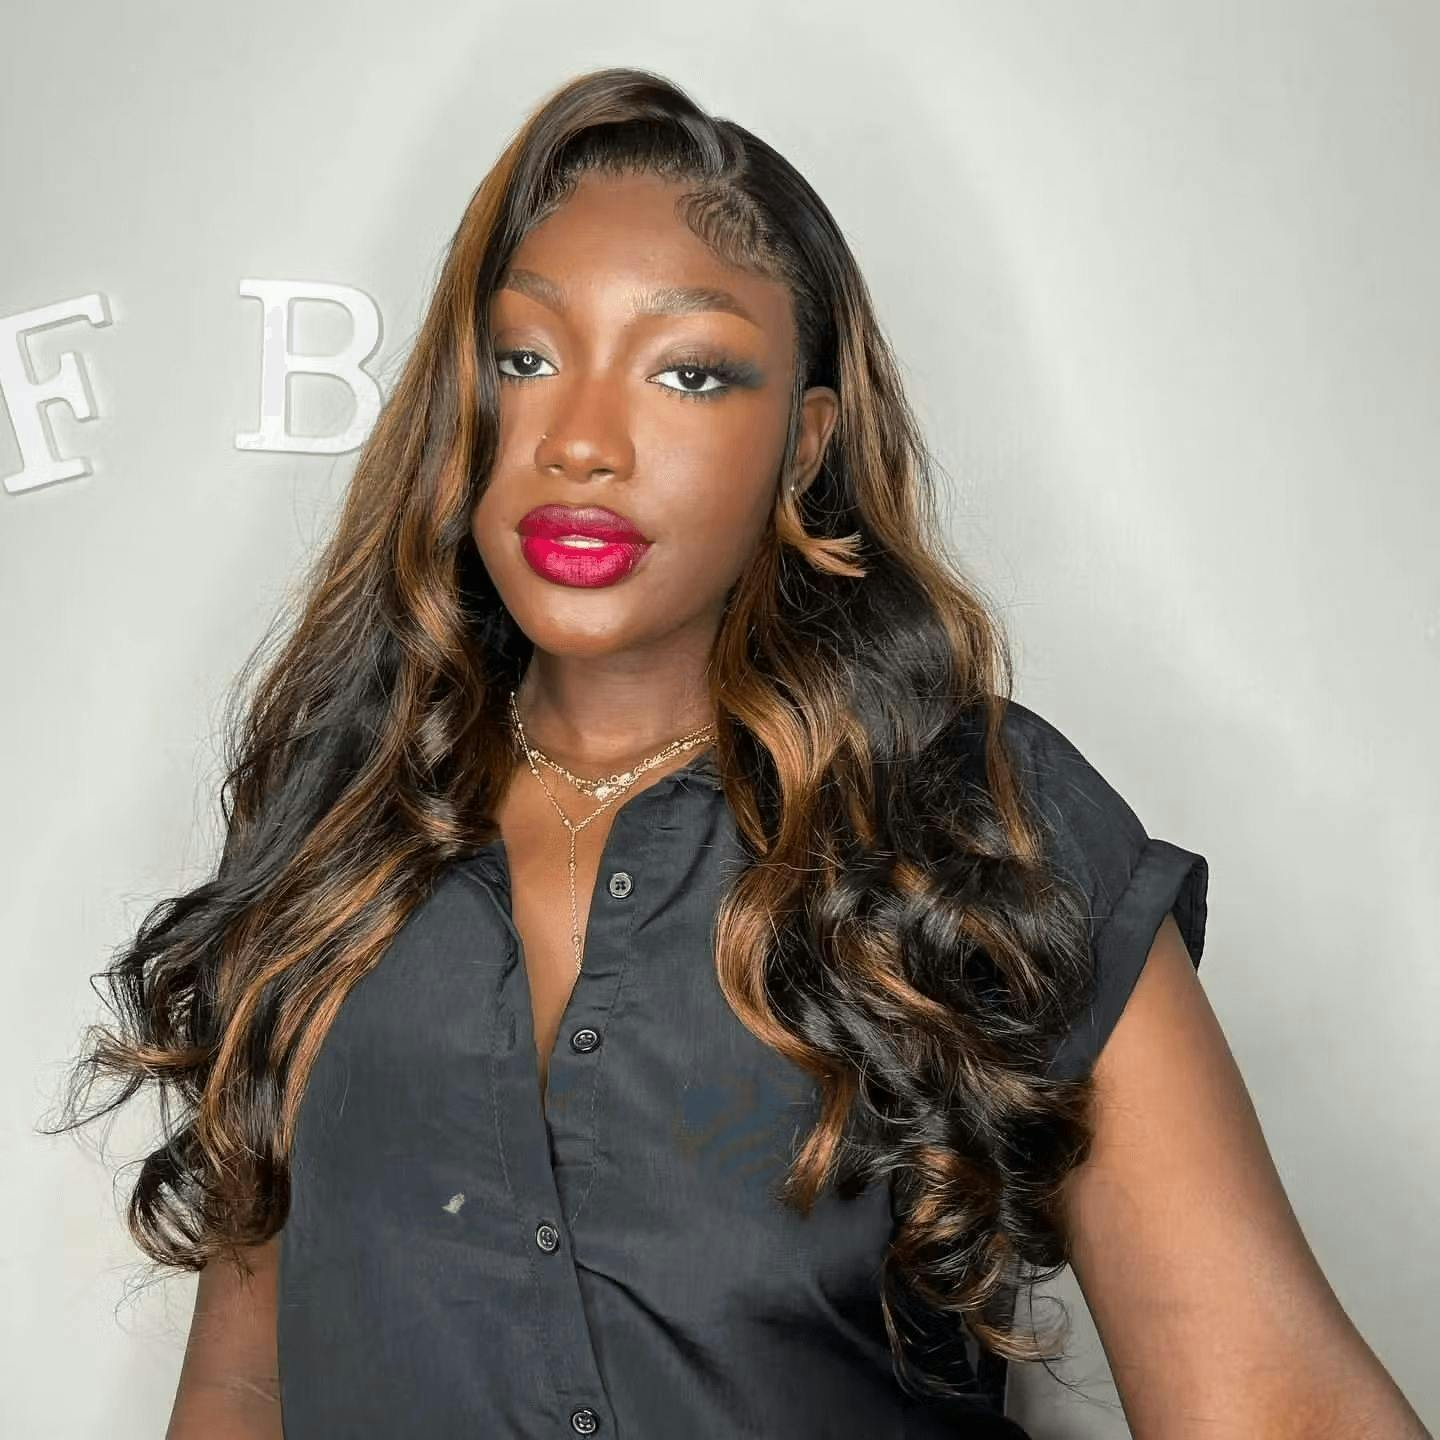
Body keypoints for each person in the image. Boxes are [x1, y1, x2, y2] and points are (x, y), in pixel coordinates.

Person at [53, 65, 1428, 1440]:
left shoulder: (972, 826)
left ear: (804, 441)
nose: (581, 443)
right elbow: (241, 1388)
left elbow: (1281, 1405)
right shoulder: (338, 830)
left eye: (689, 372)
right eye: (527, 359)